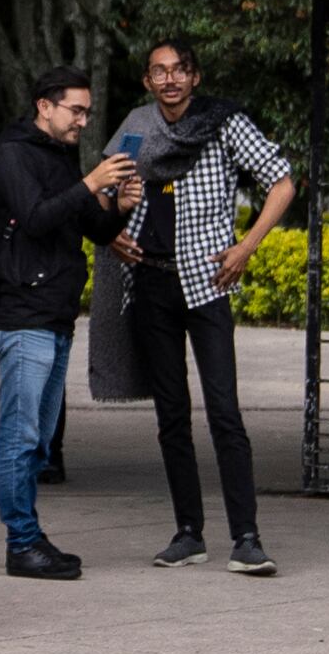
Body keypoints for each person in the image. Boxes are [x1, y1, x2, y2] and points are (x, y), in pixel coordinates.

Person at [114, 37, 300, 573]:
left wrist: (246, 247)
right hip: (150, 283)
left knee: (225, 413)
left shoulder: (224, 122)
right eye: (158, 72)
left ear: (195, 76)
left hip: (208, 283)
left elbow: (282, 183)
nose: (169, 80)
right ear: (147, 81)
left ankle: (246, 537)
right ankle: (188, 533)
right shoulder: (136, 126)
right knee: (171, 416)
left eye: (179, 70)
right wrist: (111, 235)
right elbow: (106, 190)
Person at [0, 67, 134, 579]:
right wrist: (89, 183)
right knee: (19, 436)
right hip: (23, 313)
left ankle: (31, 535)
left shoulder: (61, 160)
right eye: (75, 110)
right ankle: (21, 543)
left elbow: (90, 225)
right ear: (45, 106)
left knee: (40, 440)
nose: (83, 121)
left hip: (57, 314)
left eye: (87, 111)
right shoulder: (14, 154)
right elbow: (36, 217)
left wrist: (120, 207)